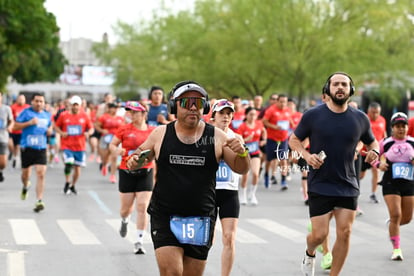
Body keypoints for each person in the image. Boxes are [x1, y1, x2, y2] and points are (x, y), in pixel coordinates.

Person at [127, 81, 250, 276]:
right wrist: (134, 161)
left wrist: (243, 153)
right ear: (174, 106)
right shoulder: (160, 134)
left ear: (206, 108)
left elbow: (241, 168)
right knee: (172, 272)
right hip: (165, 215)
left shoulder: (216, 137)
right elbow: (139, 155)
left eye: (199, 103)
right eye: (186, 102)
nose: (193, 107)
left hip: (200, 218)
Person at [289, 72, 379, 276]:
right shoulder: (313, 115)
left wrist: (375, 150)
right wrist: (306, 155)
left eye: (344, 85)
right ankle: (310, 252)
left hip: (348, 183)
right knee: (319, 235)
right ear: (328, 89)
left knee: (345, 233)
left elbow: (372, 141)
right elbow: (293, 140)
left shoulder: (360, 118)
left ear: (351, 90)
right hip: (320, 182)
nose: (340, 87)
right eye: (336, 84)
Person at [109, 101, 155, 254]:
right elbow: (112, 145)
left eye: (136, 112)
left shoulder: (152, 131)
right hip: (126, 172)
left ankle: (139, 241)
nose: (132, 115)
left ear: (144, 114)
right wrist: (118, 151)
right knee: (125, 209)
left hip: (146, 172)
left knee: (142, 206)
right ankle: (124, 220)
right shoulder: (124, 129)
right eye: (131, 112)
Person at [372, 112, 414, 261]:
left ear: (407, 128)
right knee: (396, 214)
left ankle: (392, 225)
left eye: (403, 126)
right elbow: (372, 156)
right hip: (390, 182)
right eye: (397, 126)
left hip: (409, 183)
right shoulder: (386, 142)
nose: (401, 129)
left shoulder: (412, 142)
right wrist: (379, 164)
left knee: (407, 218)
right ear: (392, 128)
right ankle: (396, 249)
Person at [210, 99, 244, 276]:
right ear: (213, 116)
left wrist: (241, 152)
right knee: (205, 240)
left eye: (229, 113)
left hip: (229, 192)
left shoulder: (236, 138)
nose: (226, 116)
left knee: (229, 238)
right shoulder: (205, 137)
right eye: (222, 113)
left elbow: (242, 166)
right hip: (208, 192)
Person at [14, 93, 53, 212]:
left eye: (41, 101)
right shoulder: (26, 113)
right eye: (37, 101)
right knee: (26, 175)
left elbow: (50, 127)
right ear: (32, 102)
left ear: (44, 103)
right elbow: (15, 127)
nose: (39, 103)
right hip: (27, 147)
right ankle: (26, 186)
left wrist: (49, 131)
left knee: (41, 174)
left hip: (41, 148)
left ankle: (39, 200)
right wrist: (29, 123)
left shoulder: (47, 115)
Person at [54, 95, 94, 195]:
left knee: (77, 169)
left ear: (80, 106)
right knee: (69, 163)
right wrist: (61, 133)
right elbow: (56, 126)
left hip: (80, 146)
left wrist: (88, 133)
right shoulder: (64, 115)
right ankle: (67, 182)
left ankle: (73, 184)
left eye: (77, 105)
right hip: (67, 145)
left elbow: (91, 128)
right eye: (74, 105)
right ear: (71, 105)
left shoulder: (84, 116)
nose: (75, 107)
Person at [237, 106, 267, 205]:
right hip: (245, 153)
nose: (253, 116)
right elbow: (238, 141)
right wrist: (246, 140)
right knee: (245, 175)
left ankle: (252, 194)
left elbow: (264, 131)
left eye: (255, 114)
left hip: (255, 152)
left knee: (255, 174)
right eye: (251, 114)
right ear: (246, 115)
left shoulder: (259, 124)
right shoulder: (242, 126)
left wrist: (264, 140)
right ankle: (243, 194)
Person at [263, 94, 293, 190]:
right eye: (281, 101)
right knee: (269, 160)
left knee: (283, 160)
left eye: (285, 102)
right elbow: (264, 121)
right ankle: (267, 175)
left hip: (283, 139)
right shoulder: (271, 110)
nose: (283, 103)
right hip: (272, 139)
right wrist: (274, 127)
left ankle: (283, 181)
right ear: (277, 101)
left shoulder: (288, 111)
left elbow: (290, 121)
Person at [359, 102, 387, 203]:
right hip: (364, 153)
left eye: (377, 112)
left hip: (376, 152)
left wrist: (385, 150)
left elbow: (384, 134)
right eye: (373, 112)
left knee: (376, 172)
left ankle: (373, 194)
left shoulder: (382, 120)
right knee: (360, 175)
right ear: (368, 111)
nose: (375, 115)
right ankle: (354, 190)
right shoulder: (364, 120)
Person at [95, 102, 124, 183]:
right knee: (105, 156)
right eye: (113, 108)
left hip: (116, 139)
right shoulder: (104, 117)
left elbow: (123, 128)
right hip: (106, 138)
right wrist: (102, 130)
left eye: (116, 108)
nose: (114, 110)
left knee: (114, 157)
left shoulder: (120, 118)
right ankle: (104, 165)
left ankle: (112, 175)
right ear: (109, 108)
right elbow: (96, 125)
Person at [9, 94, 30, 168]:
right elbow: (9, 117)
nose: (21, 100)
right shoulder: (13, 107)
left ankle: (15, 157)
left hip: (21, 131)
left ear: (25, 100)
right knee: (11, 145)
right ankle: (12, 153)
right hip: (12, 129)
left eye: (22, 99)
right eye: (20, 99)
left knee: (17, 145)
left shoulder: (27, 108)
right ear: (17, 99)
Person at [0, 93, 14, 181]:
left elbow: (11, 121)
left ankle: (0, 170)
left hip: (3, 137)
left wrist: (10, 126)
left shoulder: (6, 109)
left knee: (3, 163)